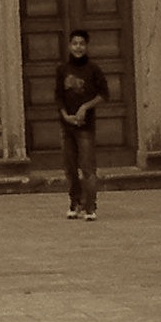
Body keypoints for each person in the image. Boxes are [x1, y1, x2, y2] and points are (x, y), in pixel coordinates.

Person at [55, 30, 109, 219]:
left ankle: (90, 206)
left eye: (82, 44)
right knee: (70, 168)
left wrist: (85, 107)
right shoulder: (62, 70)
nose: (78, 47)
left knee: (87, 168)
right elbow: (58, 97)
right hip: (67, 126)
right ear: (69, 46)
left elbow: (104, 94)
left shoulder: (93, 70)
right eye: (75, 43)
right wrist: (65, 115)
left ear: (86, 47)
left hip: (85, 127)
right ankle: (74, 201)